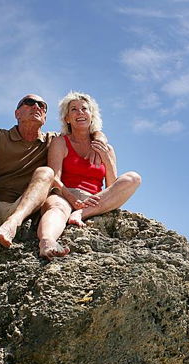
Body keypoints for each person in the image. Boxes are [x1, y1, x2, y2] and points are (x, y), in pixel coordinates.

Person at [0, 93, 108, 252]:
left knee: (46, 172)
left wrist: (100, 137)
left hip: (22, 212)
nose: (37, 107)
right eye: (29, 103)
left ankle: (11, 225)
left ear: (45, 118)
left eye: (42, 105)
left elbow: (82, 129)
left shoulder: (53, 141)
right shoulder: (0, 136)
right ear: (17, 113)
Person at [37, 91, 141, 260]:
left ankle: (81, 214)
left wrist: (106, 157)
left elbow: (112, 186)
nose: (80, 113)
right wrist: (71, 198)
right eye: (74, 110)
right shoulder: (60, 142)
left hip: (94, 200)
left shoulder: (106, 147)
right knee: (56, 208)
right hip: (64, 194)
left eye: (84, 109)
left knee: (133, 178)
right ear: (67, 119)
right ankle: (47, 243)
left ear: (92, 115)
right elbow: (53, 178)